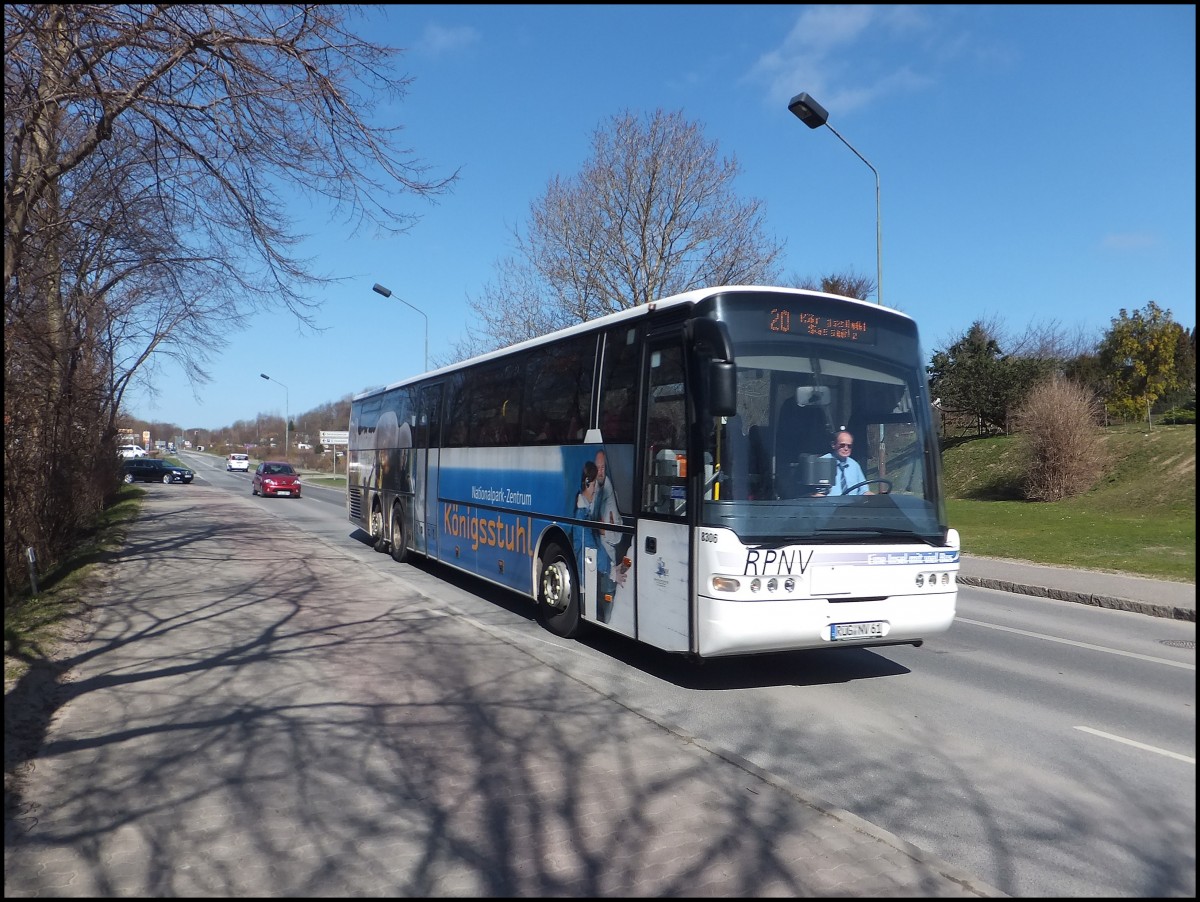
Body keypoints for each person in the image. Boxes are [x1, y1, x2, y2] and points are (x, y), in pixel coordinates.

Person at [821, 430, 872, 496]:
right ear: (833, 445)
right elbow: (815, 493)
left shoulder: (854, 465)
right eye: (842, 445)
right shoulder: (822, 463)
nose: (846, 448)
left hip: (852, 505)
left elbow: (864, 491)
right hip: (829, 505)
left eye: (849, 446)